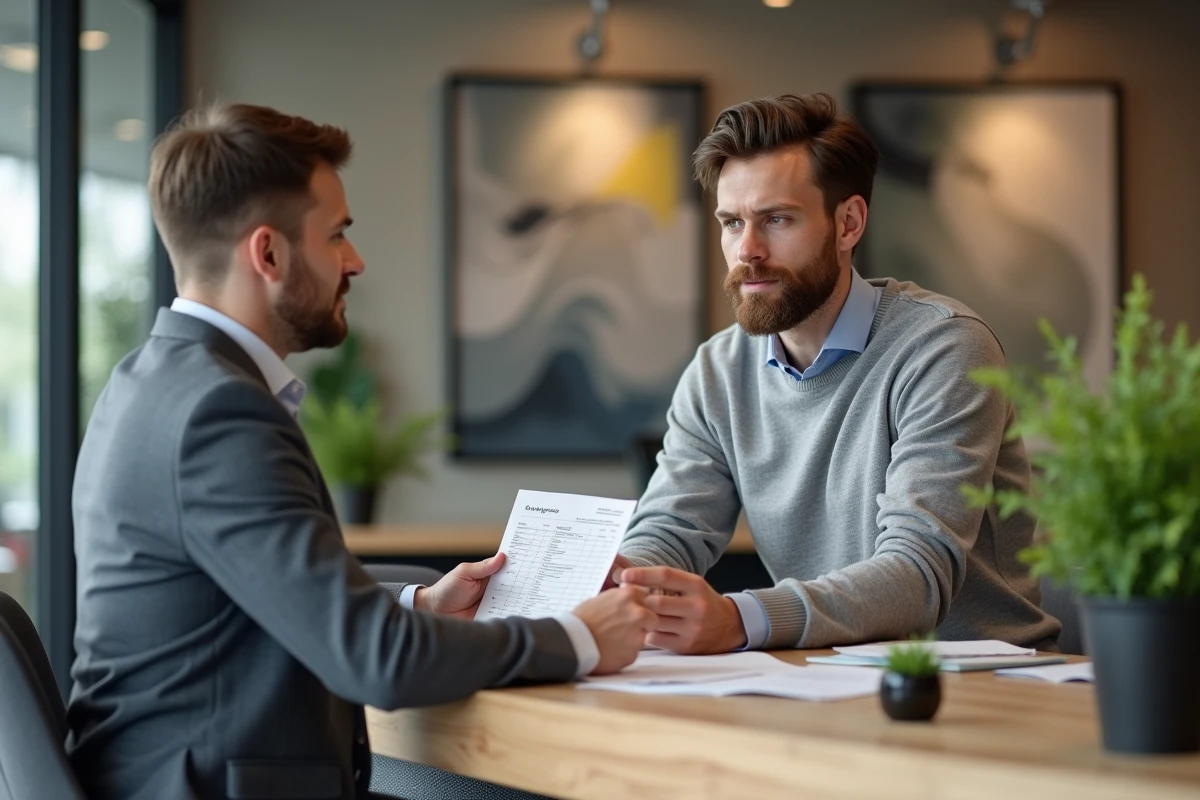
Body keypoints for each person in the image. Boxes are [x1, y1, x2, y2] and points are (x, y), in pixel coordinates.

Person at [67, 103, 656, 800]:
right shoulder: (217, 413)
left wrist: (417, 603)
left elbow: (256, 596)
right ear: (269, 253)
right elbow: (378, 661)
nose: (355, 260)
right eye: (338, 235)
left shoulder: (152, 381)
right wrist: (578, 636)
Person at [613, 92, 1060, 654]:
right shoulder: (717, 372)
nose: (746, 250)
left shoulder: (944, 348)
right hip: (820, 677)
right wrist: (620, 579)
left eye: (776, 219)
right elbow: (670, 531)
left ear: (847, 223)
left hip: (973, 682)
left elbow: (917, 575)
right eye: (732, 223)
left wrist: (740, 617)